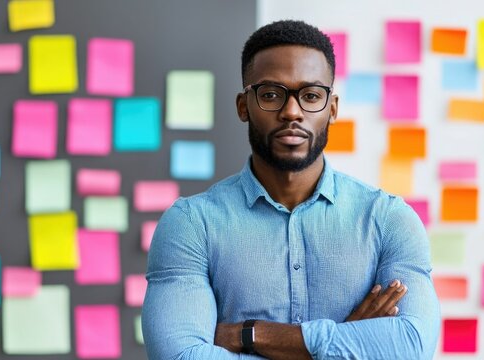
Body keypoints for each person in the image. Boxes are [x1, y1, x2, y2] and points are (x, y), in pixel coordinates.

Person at [142, 20, 440, 359]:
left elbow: (411, 346)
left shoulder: (389, 220)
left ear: (332, 108)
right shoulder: (191, 224)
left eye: (311, 96)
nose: (291, 112)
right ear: (244, 106)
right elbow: (180, 356)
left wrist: (251, 335)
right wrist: (346, 342)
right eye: (271, 94)